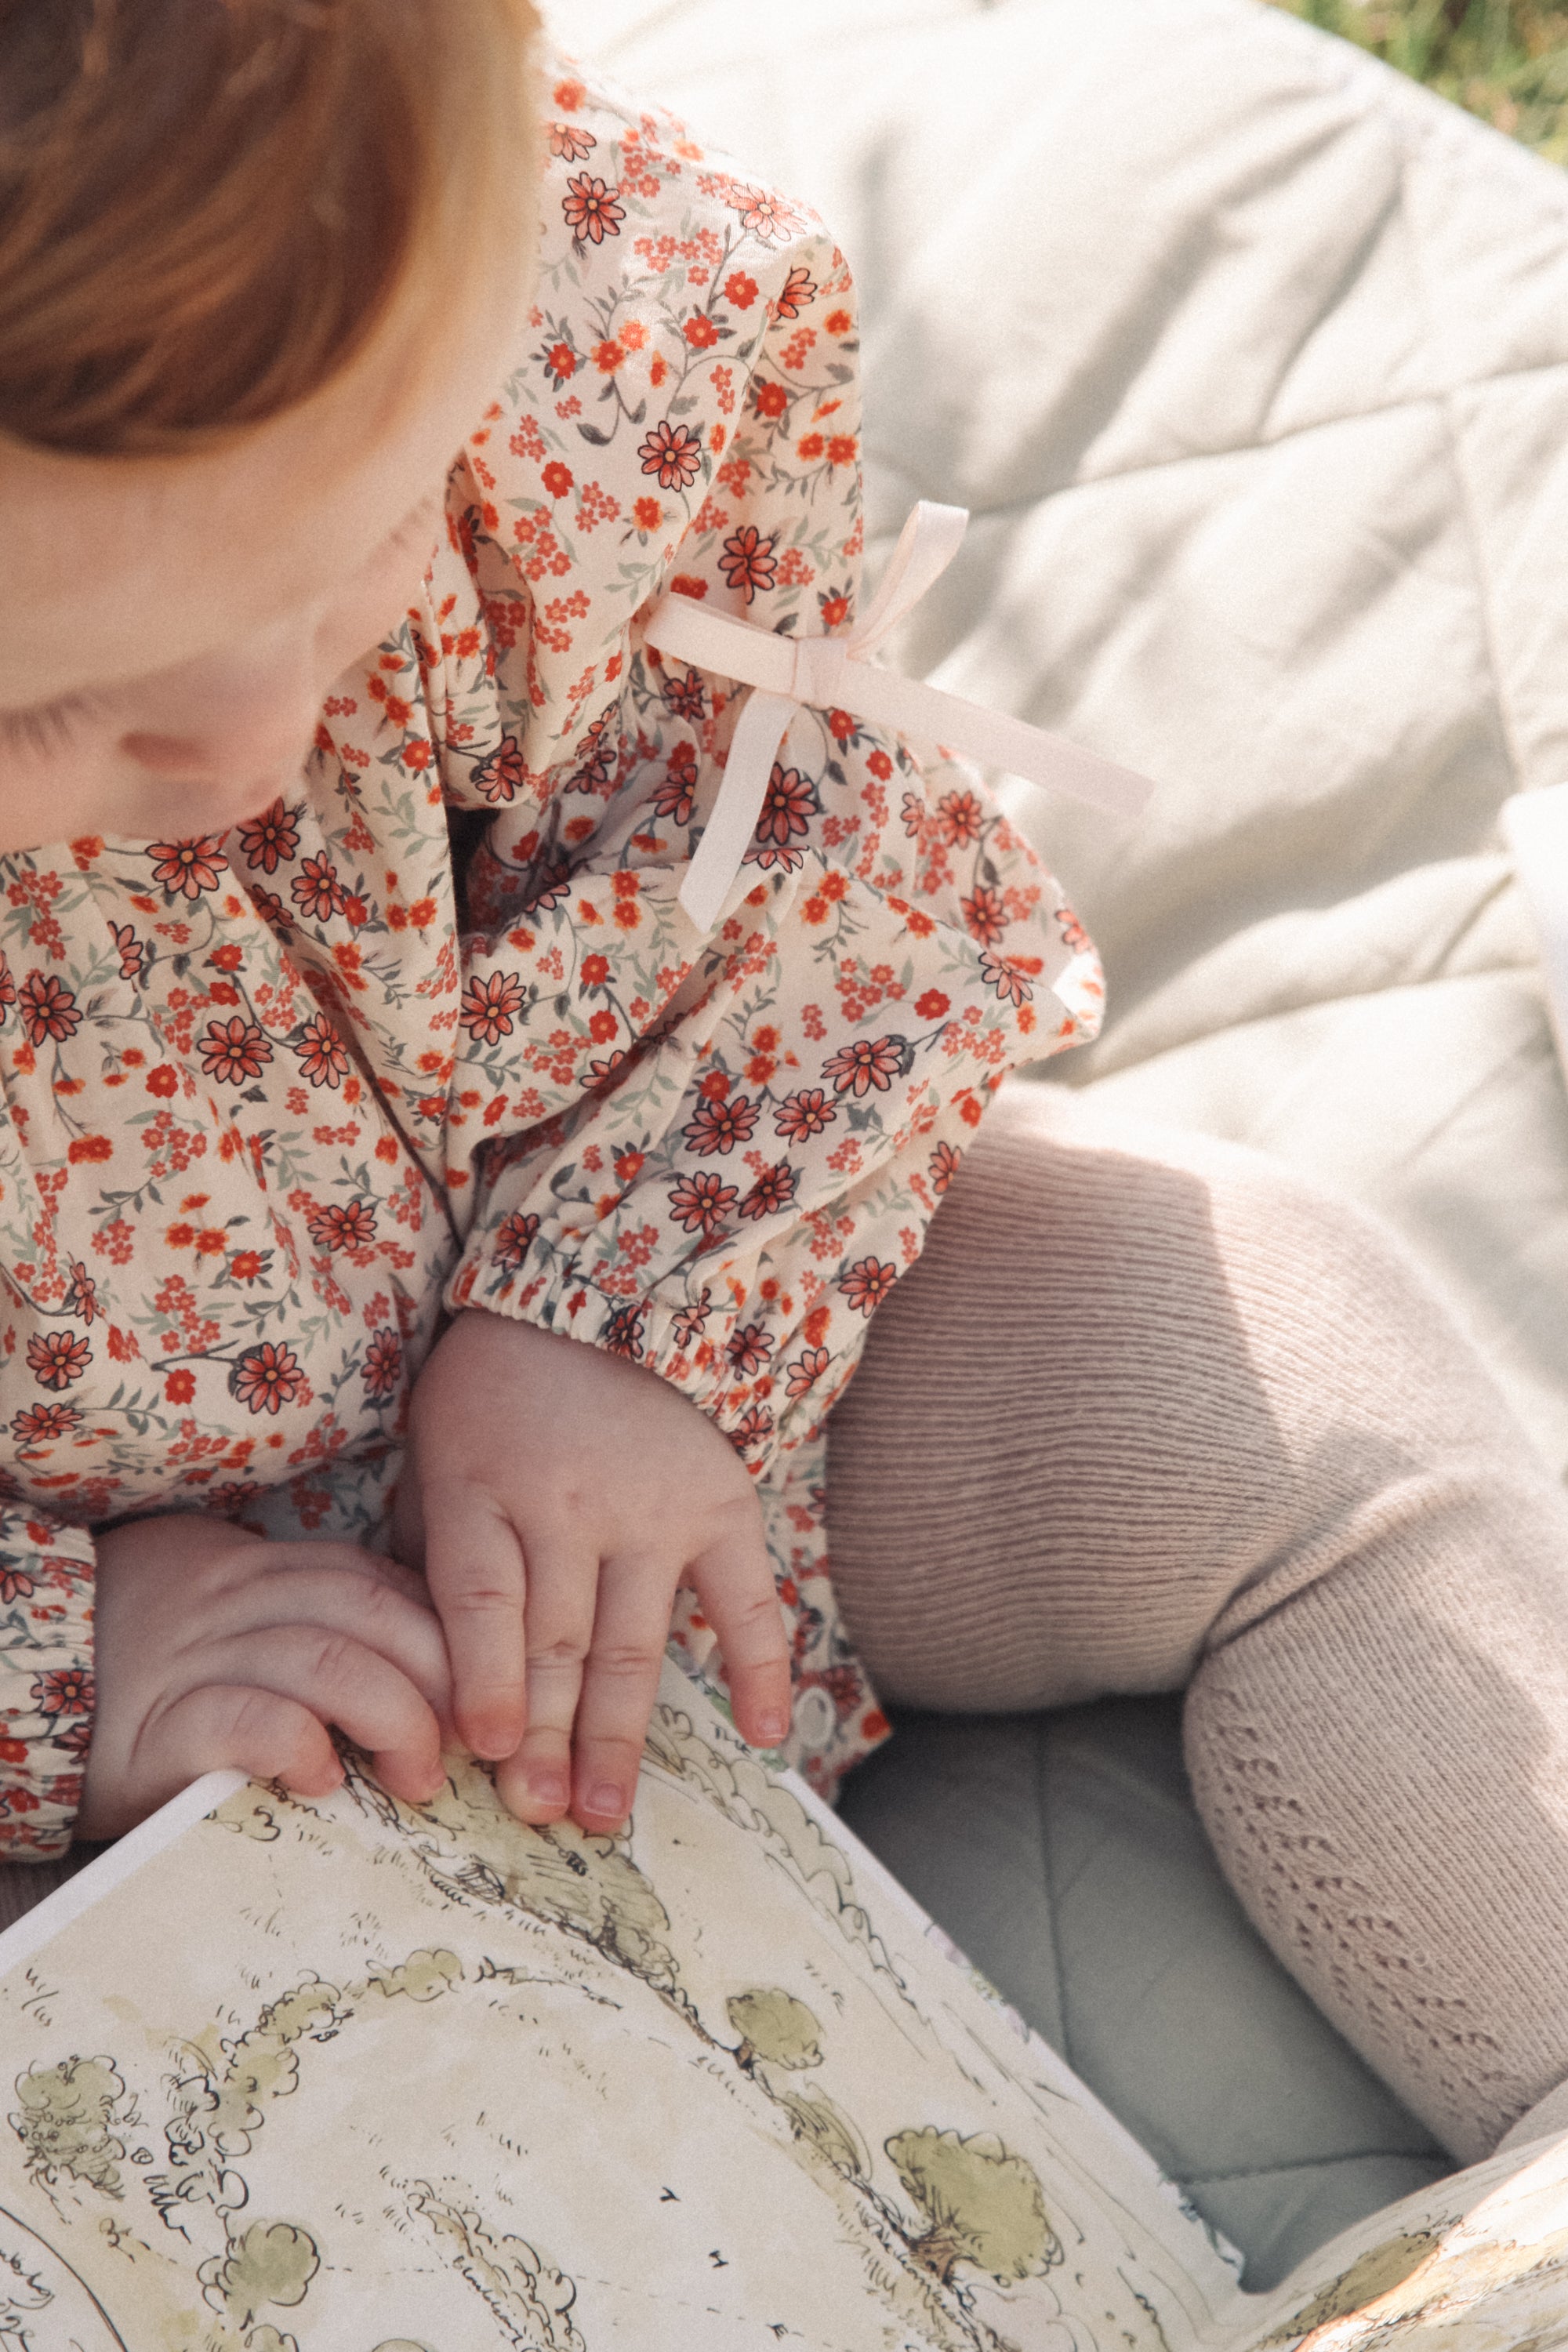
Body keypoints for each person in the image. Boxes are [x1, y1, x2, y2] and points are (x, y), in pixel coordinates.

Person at [2, 0, 1567, 2171]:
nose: (259, 747)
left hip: (676, 1391)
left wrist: (637, 1301)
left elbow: (786, 818)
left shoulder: (553, 334)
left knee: (1264, 1346)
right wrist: (65, 1674)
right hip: (130, 1741)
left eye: (354, 562)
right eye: (52, 719)